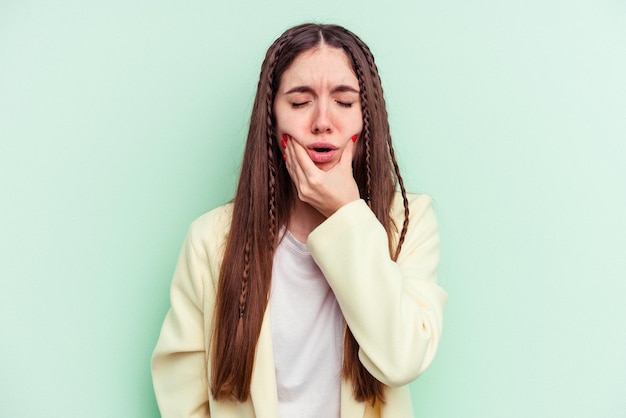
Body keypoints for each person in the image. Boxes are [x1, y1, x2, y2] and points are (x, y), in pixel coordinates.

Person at [151, 23, 448, 418]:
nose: (323, 122)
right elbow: (181, 397)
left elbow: (403, 358)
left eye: (344, 102)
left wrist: (345, 213)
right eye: (299, 102)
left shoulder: (408, 223)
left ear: (367, 118)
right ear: (272, 121)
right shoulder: (211, 240)